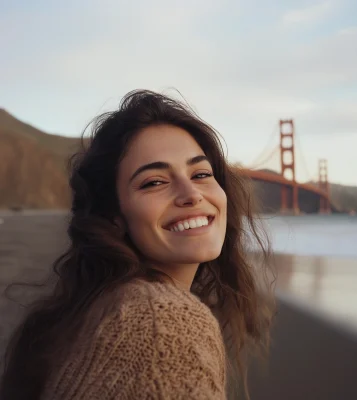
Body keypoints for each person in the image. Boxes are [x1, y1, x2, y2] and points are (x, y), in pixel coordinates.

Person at [0, 90, 274, 400]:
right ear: (114, 216)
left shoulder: (97, 308)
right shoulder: (164, 324)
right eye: (154, 182)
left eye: (201, 173)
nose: (192, 194)